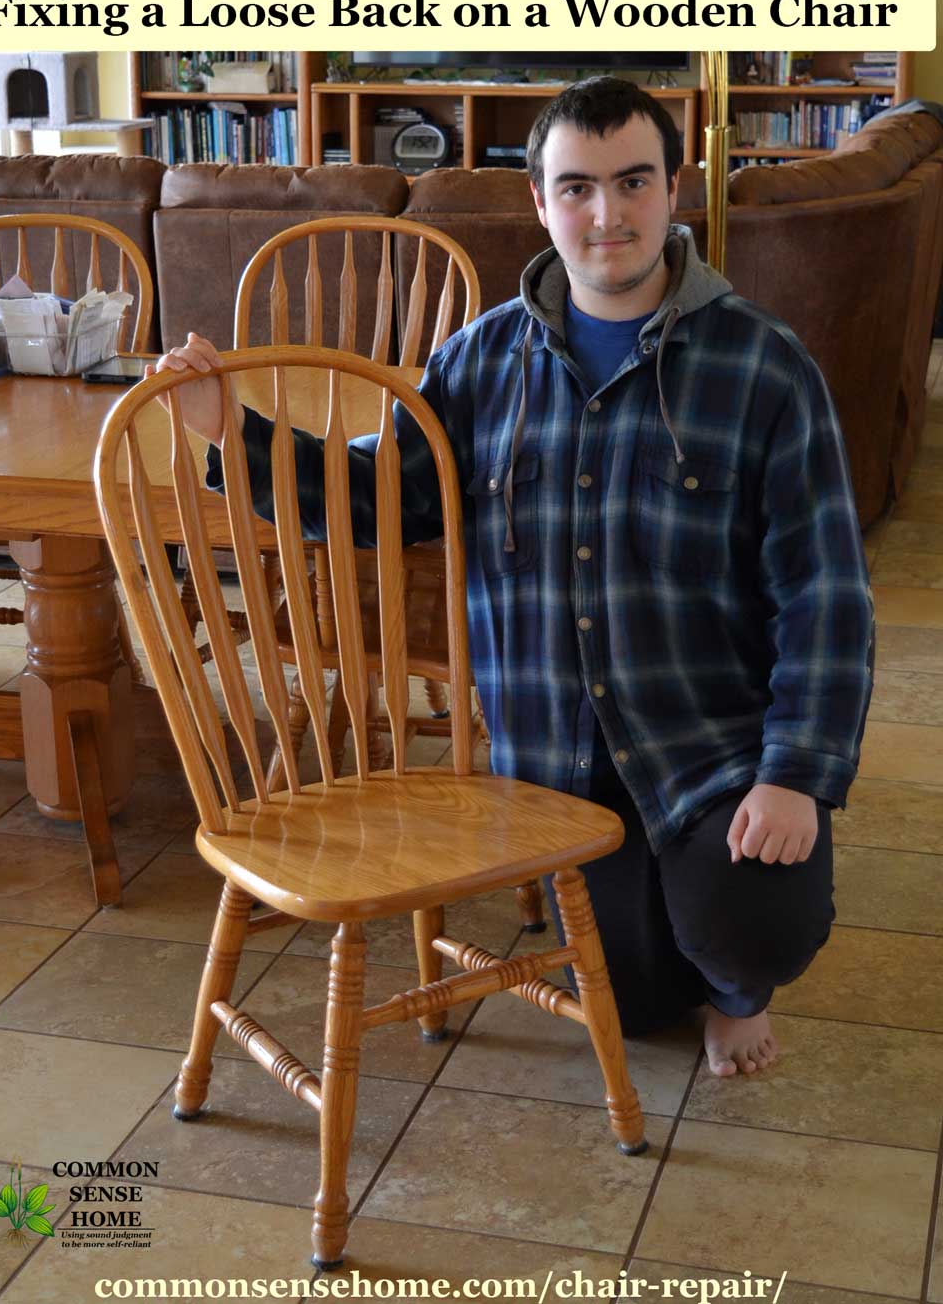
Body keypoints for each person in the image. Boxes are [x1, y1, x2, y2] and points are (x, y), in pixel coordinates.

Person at [153, 76, 874, 1078]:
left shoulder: (766, 369)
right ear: (539, 201)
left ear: (675, 189)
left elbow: (826, 599)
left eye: (632, 182)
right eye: (576, 187)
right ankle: (674, 950)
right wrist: (235, 432)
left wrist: (795, 774)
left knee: (753, 928)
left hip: (712, 753)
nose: (606, 214)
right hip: (556, 770)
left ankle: (734, 984)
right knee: (628, 1007)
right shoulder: (479, 360)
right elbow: (378, 495)